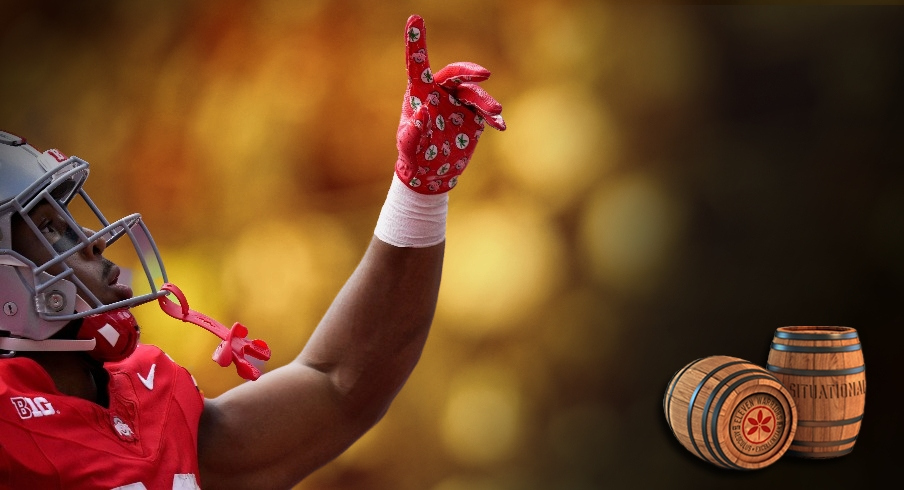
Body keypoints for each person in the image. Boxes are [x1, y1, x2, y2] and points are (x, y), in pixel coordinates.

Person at [0, 14, 505, 490]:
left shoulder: (144, 394)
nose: (91, 239)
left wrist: (419, 192)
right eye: (49, 228)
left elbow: (340, 385)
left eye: (68, 221)